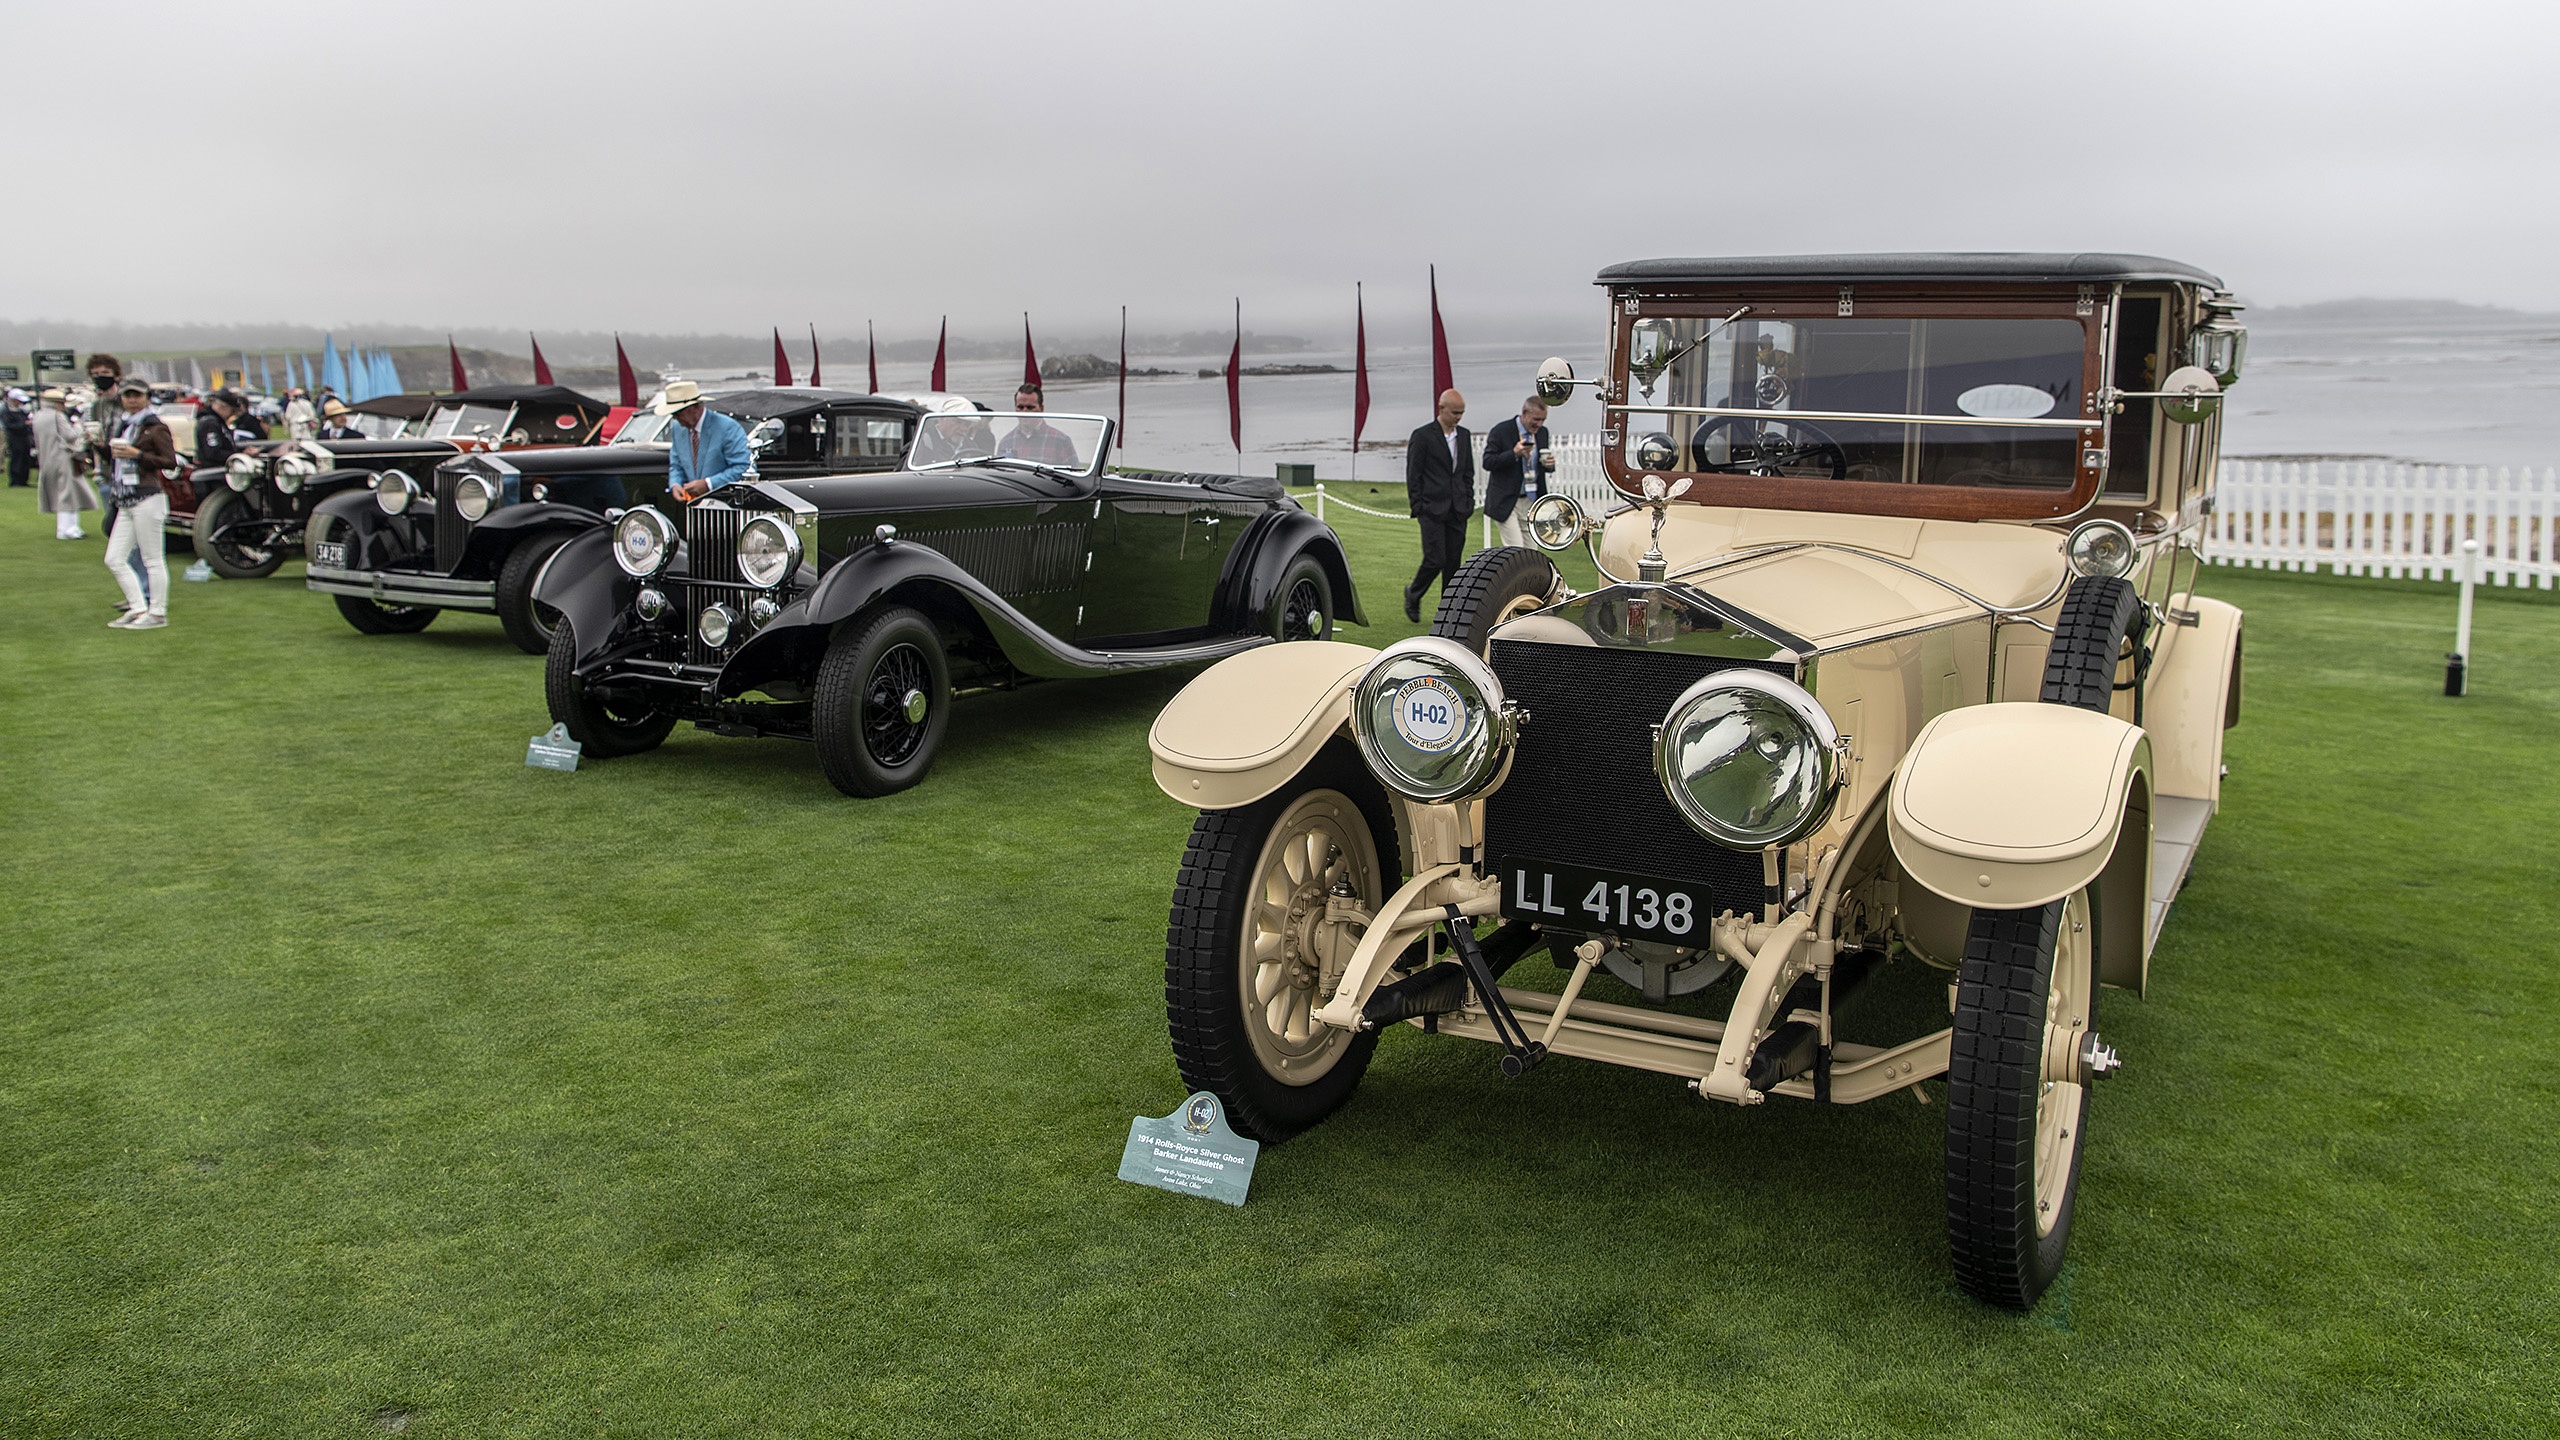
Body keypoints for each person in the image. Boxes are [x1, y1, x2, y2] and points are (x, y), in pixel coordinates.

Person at [100, 378, 174, 628]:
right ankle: (138, 607)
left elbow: (169, 461)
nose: (132, 400)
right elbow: (115, 460)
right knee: (114, 559)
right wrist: (99, 446)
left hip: (148, 496)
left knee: (152, 559)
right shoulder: (123, 425)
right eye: (127, 395)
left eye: (137, 395)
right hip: (126, 498)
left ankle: (158, 612)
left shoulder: (155, 427)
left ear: (147, 398)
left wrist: (139, 455)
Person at [1403, 388, 1474, 622]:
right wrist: (1418, 506)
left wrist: (1468, 500)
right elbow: (1413, 475)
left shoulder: (1464, 436)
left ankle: (1448, 612)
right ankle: (1413, 594)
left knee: (1453, 564)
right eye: (1455, 413)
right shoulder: (1422, 436)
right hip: (1431, 508)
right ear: (1441, 408)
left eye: (1462, 413)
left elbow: (1467, 472)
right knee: (1435, 559)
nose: (1458, 417)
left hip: (1458, 509)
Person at [1481, 396, 1554, 550]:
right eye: (1536, 419)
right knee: (1515, 549)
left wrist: (1549, 465)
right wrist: (1513, 453)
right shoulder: (1501, 431)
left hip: (1531, 500)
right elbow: (1488, 462)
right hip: (1507, 500)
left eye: (1543, 420)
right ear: (1524, 413)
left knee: (1532, 551)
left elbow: (1539, 465)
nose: (1539, 424)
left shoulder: (1542, 433)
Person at [660, 379, 751, 502]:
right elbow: (676, 465)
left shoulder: (727, 427)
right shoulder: (678, 429)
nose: (676, 419)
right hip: (693, 506)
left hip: (725, 504)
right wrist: (675, 484)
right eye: (673, 415)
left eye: (678, 413)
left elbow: (744, 467)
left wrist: (708, 484)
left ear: (696, 407)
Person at [33, 389, 96, 538]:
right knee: (69, 494)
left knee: (60, 494)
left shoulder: (38, 416)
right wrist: (79, 426)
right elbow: (70, 435)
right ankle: (70, 529)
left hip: (46, 458)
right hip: (63, 458)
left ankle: (63, 529)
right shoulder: (57, 416)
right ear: (56, 404)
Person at [995, 384, 1079, 467]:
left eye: (1030, 407)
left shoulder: (1061, 441)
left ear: (1041, 409)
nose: (1024, 412)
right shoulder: (1006, 442)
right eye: (1020, 407)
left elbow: (1075, 472)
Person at [3, 389, 33, 487]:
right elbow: (9, 425)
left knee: (25, 458)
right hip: (15, 438)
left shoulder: (21, 410)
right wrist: (24, 424)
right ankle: (16, 480)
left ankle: (23, 480)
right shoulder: (7, 411)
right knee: (17, 458)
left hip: (24, 436)